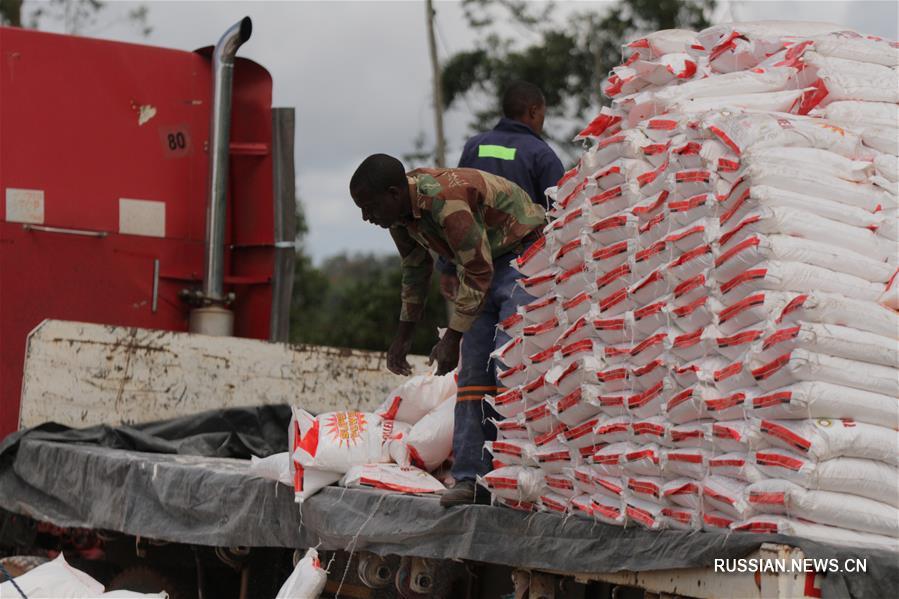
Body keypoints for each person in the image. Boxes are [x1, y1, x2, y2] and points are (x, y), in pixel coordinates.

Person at [349, 154, 545, 506]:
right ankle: (472, 480)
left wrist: (452, 337)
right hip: (481, 265)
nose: (366, 218)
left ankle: (525, 473)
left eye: (369, 207)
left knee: (512, 362)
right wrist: (403, 334)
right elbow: (414, 267)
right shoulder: (399, 218)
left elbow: (478, 269)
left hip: (523, 255)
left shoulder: (444, 202)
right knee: (472, 374)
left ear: (393, 194)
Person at [437, 80, 564, 301]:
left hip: (476, 266)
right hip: (521, 268)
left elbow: (455, 208)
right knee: (514, 333)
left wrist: (448, 265)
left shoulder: (475, 147)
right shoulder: (541, 155)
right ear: (533, 111)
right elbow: (560, 217)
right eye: (543, 114)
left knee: (476, 334)